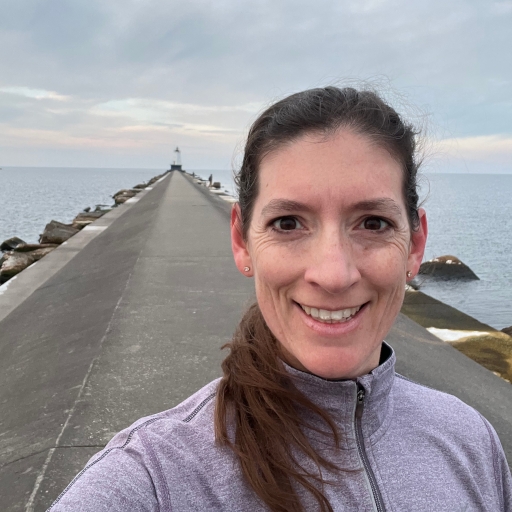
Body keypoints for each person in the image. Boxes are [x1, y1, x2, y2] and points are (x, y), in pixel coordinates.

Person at [49, 86, 512, 512]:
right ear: (241, 240)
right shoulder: (152, 478)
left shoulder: (470, 440)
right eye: (288, 223)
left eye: (372, 223)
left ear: (414, 245)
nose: (333, 274)